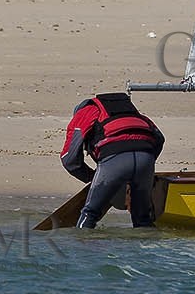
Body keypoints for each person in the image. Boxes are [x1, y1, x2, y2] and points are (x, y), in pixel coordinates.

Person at [60, 92, 165, 229]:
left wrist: (92, 177)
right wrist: (146, 165)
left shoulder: (84, 113)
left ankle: (80, 246)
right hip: (146, 157)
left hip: (113, 159)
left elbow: (69, 158)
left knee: (90, 213)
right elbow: (159, 139)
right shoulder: (134, 114)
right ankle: (148, 249)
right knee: (143, 219)